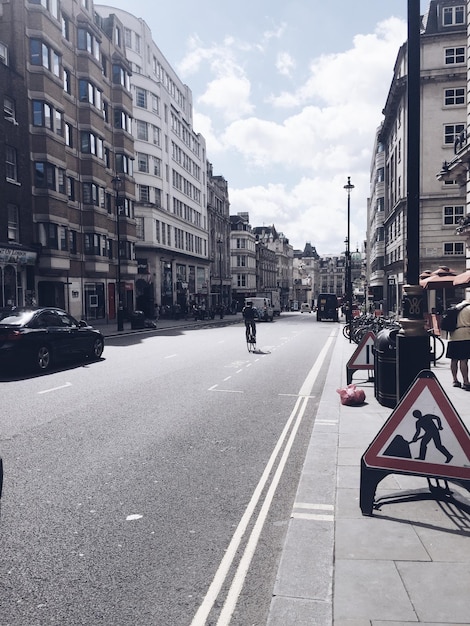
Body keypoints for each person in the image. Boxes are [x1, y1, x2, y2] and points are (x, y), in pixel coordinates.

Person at [445, 299, 470, 390]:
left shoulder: (456, 308)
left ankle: (455, 380)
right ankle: (466, 382)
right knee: (464, 360)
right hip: (465, 336)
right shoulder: (469, 309)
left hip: (453, 336)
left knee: (454, 360)